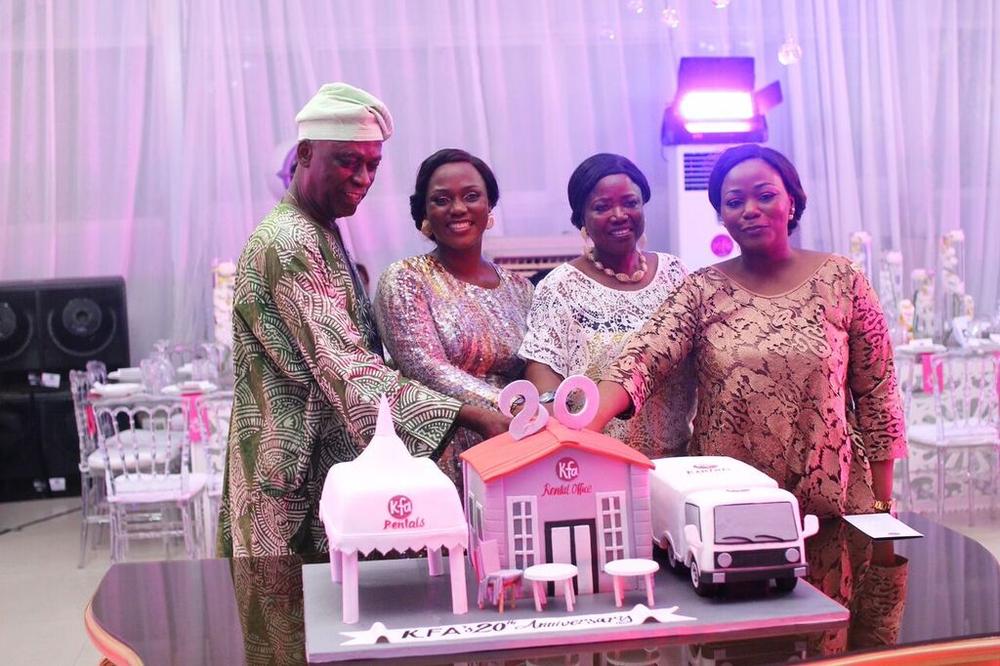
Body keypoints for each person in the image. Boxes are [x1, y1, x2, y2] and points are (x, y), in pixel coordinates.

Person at [218, 84, 507, 558]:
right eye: (348, 161)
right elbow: (349, 368)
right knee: (295, 627)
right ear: (306, 154)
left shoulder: (322, 229)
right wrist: (469, 415)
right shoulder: (289, 242)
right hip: (290, 479)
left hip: (323, 470)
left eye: (373, 164)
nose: (363, 177)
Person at [591, 144, 906, 518]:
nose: (750, 210)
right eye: (735, 201)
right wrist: (583, 421)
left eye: (766, 195)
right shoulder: (702, 289)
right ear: (723, 216)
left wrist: (884, 506)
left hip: (831, 507)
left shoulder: (843, 280)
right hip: (724, 509)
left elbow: (878, 397)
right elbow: (643, 359)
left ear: (792, 202)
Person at [518, 153, 695, 459]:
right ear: (580, 219)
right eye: (602, 207)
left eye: (630, 202)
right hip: (598, 459)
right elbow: (542, 369)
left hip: (676, 460)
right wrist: (557, 430)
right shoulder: (560, 285)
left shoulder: (675, 273)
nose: (619, 214)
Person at [374, 149, 533, 483]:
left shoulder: (521, 288)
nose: (458, 208)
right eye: (442, 199)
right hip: (439, 455)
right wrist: (514, 405)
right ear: (425, 214)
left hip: (517, 451)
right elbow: (425, 367)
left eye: (471, 196)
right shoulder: (405, 278)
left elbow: (536, 366)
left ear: (489, 206)